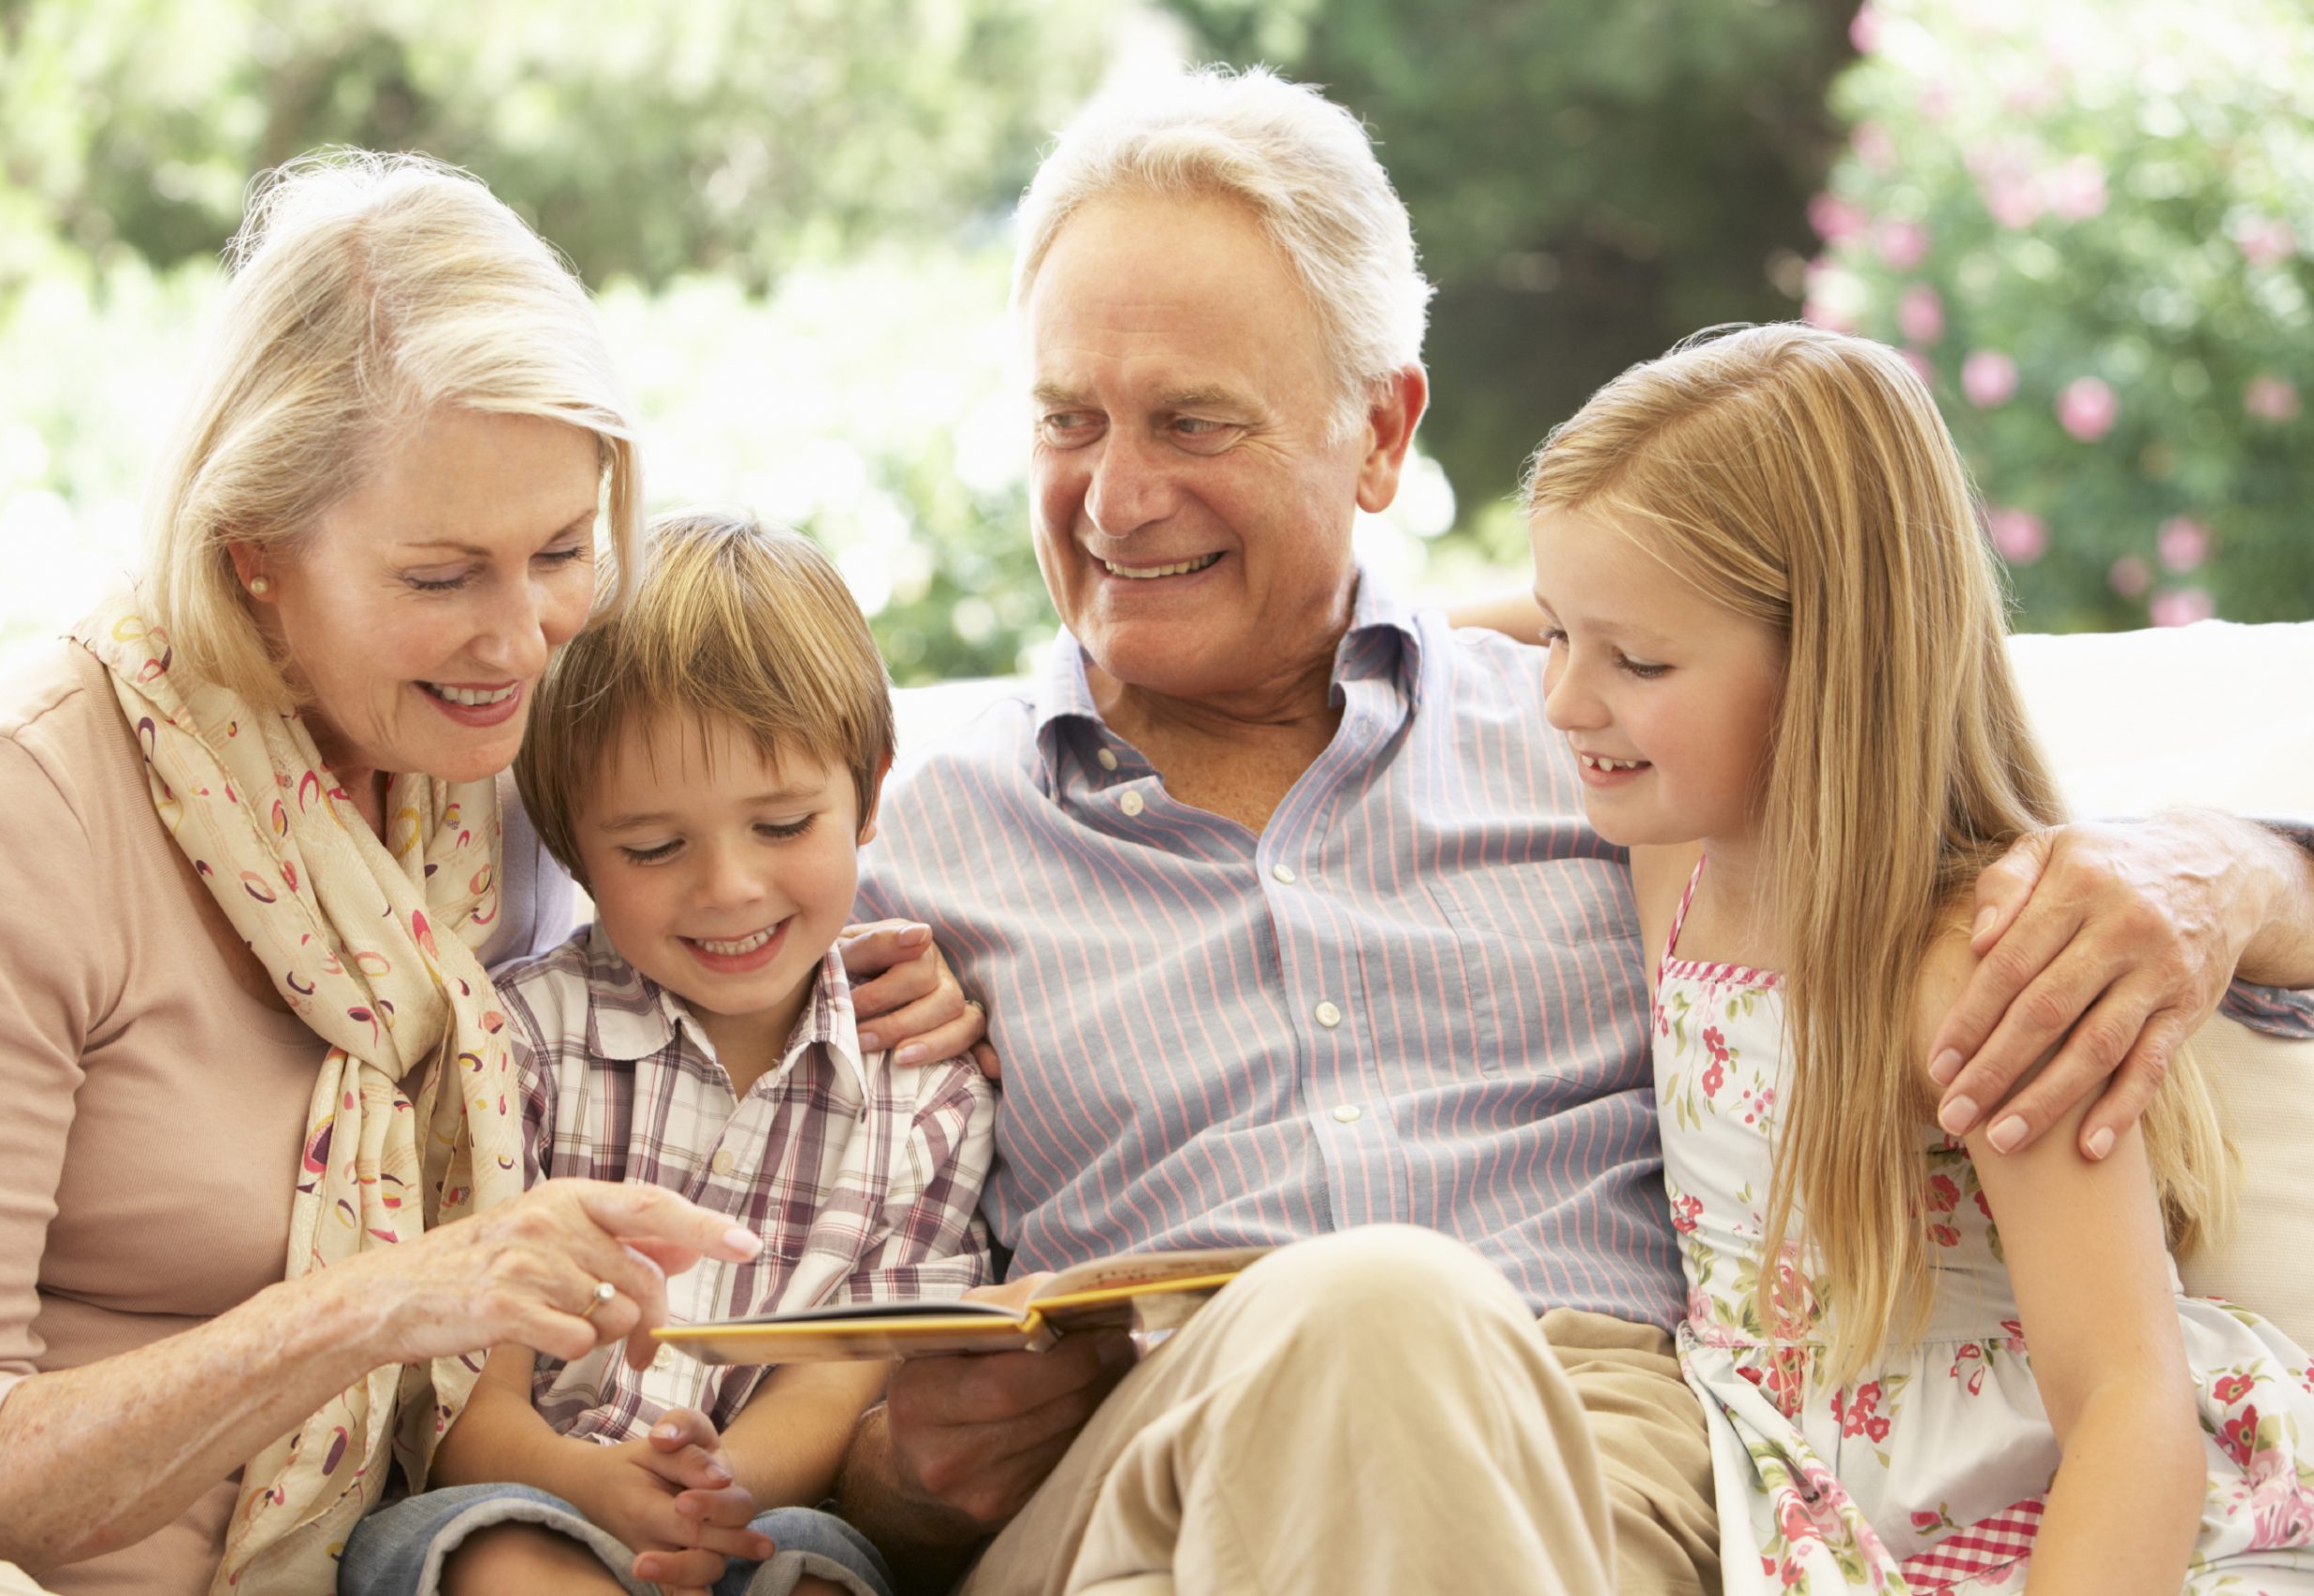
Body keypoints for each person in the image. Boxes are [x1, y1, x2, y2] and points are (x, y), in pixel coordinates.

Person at [833, 68, 2314, 1596]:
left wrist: (2238, 866)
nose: (1116, 498)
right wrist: (902, 1475)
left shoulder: (1618, 761)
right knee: (1369, 1310)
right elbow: (769, 1402)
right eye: (1068, 420)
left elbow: (1875, 712)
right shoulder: (904, 855)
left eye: (1195, 422)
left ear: (1382, 433)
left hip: (1585, 1462)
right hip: (1142, 1478)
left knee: (1392, 1321)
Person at [0, 154, 975, 1596]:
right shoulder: (13, 811)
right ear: (254, 557)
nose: (524, 638)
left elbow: (741, 830)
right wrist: (384, 1300)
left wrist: (900, 971)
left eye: (559, 550)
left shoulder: (494, 775)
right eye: (440, 577)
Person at [1526, 321, 2314, 1592]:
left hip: (2062, 1511)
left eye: (1635, 660)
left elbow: (2127, 1398)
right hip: (1811, 1494)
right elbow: (1592, 596)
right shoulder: (1678, 849)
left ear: (1830, 664)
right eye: (1561, 634)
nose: (1562, 696)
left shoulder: (1972, 969)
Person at [338, 513, 996, 1596]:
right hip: (525, 1487)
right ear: (572, 844)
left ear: (870, 795)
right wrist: (594, 1483)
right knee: (496, 1552)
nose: (729, 885)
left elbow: (839, 1386)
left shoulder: (926, 1097)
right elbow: (462, 1396)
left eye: (783, 825)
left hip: (764, 1515)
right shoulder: (518, 1045)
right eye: (653, 846)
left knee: (820, 1571)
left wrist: (709, 1487)